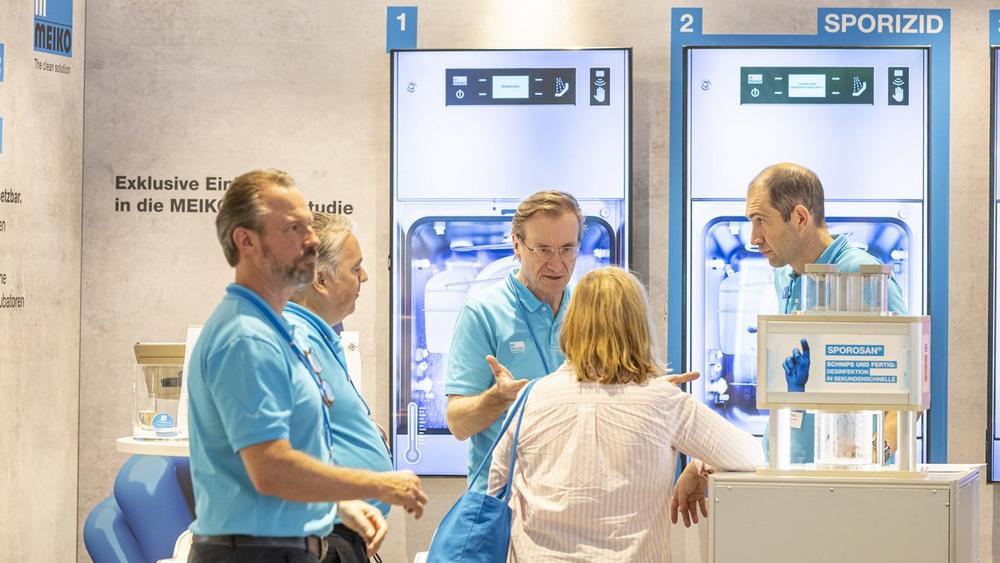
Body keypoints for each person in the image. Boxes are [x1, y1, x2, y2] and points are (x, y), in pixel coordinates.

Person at [186, 169, 427, 563]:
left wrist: (338, 503)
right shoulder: (247, 337)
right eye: (293, 228)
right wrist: (376, 484)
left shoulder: (275, 329)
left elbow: (295, 450)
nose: (311, 240)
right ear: (246, 241)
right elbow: (270, 468)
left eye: (309, 227)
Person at [486, 267, 763, 562]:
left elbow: (495, 489)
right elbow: (751, 455)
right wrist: (698, 467)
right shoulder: (664, 402)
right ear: (639, 328)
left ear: (571, 325)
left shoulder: (531, 397)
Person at [445, 190, 697, 492]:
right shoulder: (483, 313)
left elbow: (608, 393)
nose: (557, 264)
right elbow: (458, 424)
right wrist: (497, 398)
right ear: (516, 245)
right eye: (543, 250)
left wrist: (647, 391)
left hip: (574, 496)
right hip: (502, 498)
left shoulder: (589, 307)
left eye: (567, 249)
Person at [746, 162, 907, 463]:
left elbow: (909, 388)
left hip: (841, 473)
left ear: (799, 217)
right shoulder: (785, 276)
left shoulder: (860, 273)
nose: (753, 237)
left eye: (760, 221)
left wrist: (874, 456)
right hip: (783, 465)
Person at [283, 212, 398, 563]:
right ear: (320, 278)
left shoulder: (319, 336)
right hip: (319, 540)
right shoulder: (290, 341)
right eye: (356, 268)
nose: (365, 277)